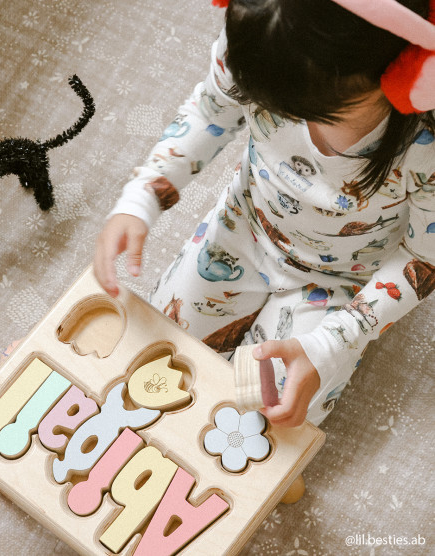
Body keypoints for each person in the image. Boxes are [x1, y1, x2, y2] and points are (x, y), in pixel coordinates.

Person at [93, 0, 435, 427]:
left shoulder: (425, 148)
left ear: (411, 76)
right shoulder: (261, 39)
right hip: (243, 230)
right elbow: (209, 112)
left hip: (342, 281)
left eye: (316, 112)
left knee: (275, 420)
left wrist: (333, 343)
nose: (287, 118)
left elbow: (423, 259)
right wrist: (144, 195)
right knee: (153, 356)